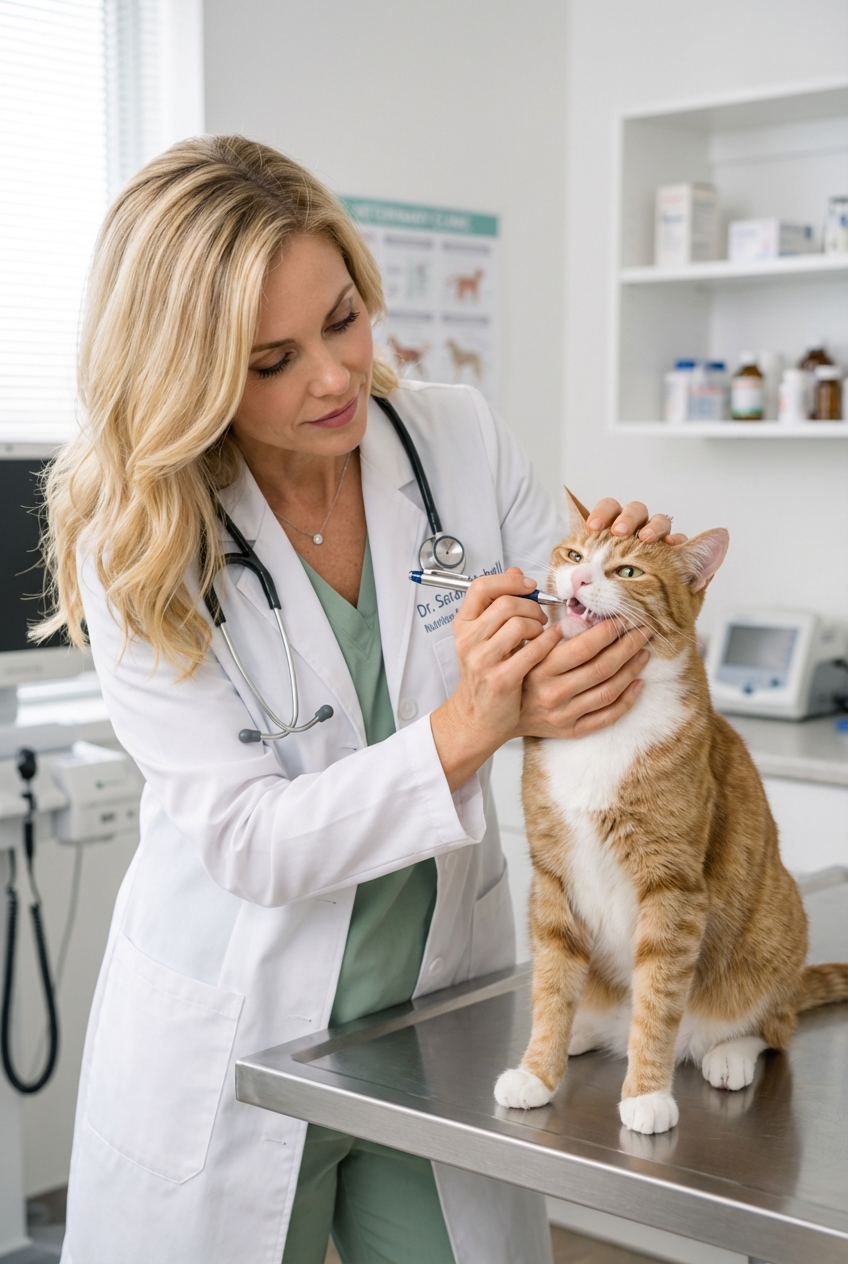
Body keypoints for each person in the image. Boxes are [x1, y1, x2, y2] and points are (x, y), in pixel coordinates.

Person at [43, 136, 679, 1264]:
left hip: (433, 1020)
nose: (333, 378)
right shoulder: (137, 539)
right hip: (239, 1031)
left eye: (342, 319)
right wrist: (475, 720)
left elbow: (582, 667)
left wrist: (625, 595)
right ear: (183, 371)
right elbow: (248, 841)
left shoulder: (455, 438)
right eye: (269, 358)